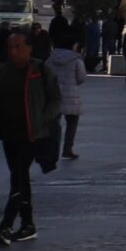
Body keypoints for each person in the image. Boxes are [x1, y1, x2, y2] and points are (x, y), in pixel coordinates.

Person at [0, 27, 60, 245]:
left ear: (29, 48)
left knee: (17, 178)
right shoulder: (4, 72)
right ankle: (28, 225)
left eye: (18, 46)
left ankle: (5, 226)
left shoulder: (41, 70)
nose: (13, 51)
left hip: (31, 134)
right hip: (9, 133)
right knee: (21, 177)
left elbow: (55, 100)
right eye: (10, 47)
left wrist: (42, 120)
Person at [45, 27, 87, 160]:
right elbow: (81, 78)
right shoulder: (76, 60)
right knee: (72, 122)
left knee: (53, 123)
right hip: (71, 96)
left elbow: (45, 75)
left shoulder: (50, 59)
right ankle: (68, 148)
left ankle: (52, 148)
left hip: (54, 95)